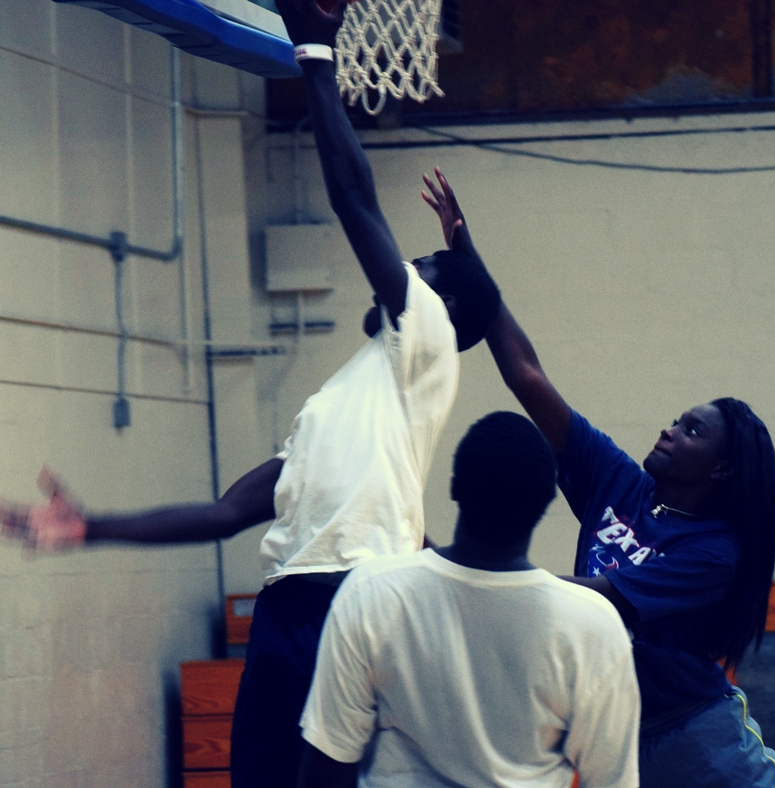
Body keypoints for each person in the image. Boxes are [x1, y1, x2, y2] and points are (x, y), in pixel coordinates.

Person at [0, 3, 500, 786]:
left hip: (361, 596)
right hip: (287, 608)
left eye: (423, 267)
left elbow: (354, 201)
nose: (405, 270)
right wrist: (91, 525)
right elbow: (227, 513)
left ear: (447, 307)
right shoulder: (336, 404)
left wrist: (316, 53)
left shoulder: (428, 337)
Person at [422, 177, 775, 787]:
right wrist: (471, 270)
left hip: (702, 744)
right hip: (622, 743)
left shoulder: (715, 552)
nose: (672, 430)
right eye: (678, 419)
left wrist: (458, 568)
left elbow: (595, 601)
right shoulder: (620, 481)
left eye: (694, 432)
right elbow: (529, 378)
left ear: (722, 470)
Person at [296, 410, 641, 788]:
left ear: (454, 486)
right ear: (545, 503)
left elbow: (329, 763)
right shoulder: (593, 624)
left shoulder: (372, 592)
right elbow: (610, 780)